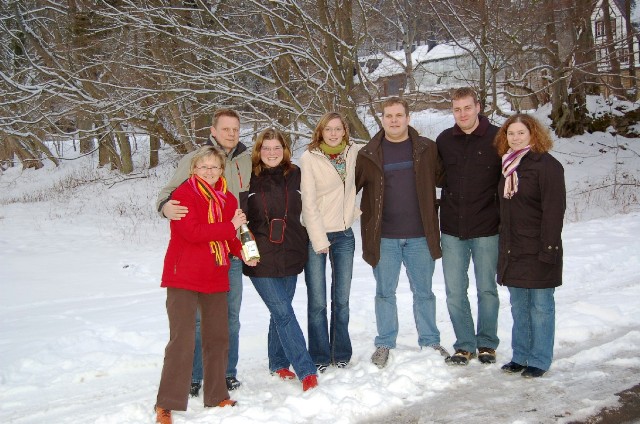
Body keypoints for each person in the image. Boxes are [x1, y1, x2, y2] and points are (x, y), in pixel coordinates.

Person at [154, 146, 257, 424]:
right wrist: (230, 226)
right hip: (184, 275)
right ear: (193, 170)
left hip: (215, 275)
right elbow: (193, 232)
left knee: (217, 338)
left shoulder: (226, 199)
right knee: (182, 340)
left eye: (214, 167)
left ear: (221, 170)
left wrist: (244, 251)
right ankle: (166, 404)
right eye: (204, 167)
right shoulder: (183, 195)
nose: (209, 172)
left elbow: (229, 238)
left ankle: (215, 395)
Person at [355, 97, 449, 369]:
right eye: (388, 115)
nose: (394, 120)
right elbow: (348, 189)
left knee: (425, 293)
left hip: (421, 235)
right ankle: (384, 342)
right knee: (385, 293)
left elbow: (448, 179)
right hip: (384, 237)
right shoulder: (369, 154)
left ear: (408, 117)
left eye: (399, 115)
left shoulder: (427, 149)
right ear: (382, 119)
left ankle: (430, 340)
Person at [240, 128, 318, 391]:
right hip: (259, 257)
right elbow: (236, 217)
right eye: (266, 148)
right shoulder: (248, 178)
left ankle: (277, 362)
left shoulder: (297, 174)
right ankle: (306, 370)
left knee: (279, 312)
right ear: (258, 151)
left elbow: (315, 203)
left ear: (284, 150)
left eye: (276, 148)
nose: (271, 153)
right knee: (284, 313)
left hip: (292, 252)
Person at [494, 114, 565, 378]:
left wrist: (548, 249)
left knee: (541, 307)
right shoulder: (507, 166)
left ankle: (539, 359)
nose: (515, 138)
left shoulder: (547, 165)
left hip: (539, 247)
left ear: (533, 134)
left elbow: (554, 211)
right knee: (519, 306)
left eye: (520, 133)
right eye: (510, 134)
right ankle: (520, 356)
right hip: (513, 248)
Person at [436, 87, 501, 366]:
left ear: (478, 107)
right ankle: (464, 345)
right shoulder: (444, 140)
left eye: (467, 107)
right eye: (456, 109)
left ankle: (486, 343)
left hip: (487, 226)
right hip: (452, 228)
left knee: (486, 289)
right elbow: (437, 178)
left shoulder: (498, 138)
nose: (462, 114)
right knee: (454, 290)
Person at [300, 112, 361, 373]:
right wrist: (319, 238)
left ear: (345, 131)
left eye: (338, 129)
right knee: (317, 301)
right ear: (320, 132)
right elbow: (309, 202)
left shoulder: (354, 153)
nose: (334, 134)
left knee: (342, 298)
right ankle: (320, 355)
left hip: (345, 234)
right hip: (317, 233)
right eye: (328, 129)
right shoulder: (309, 158)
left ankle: (341, 351)